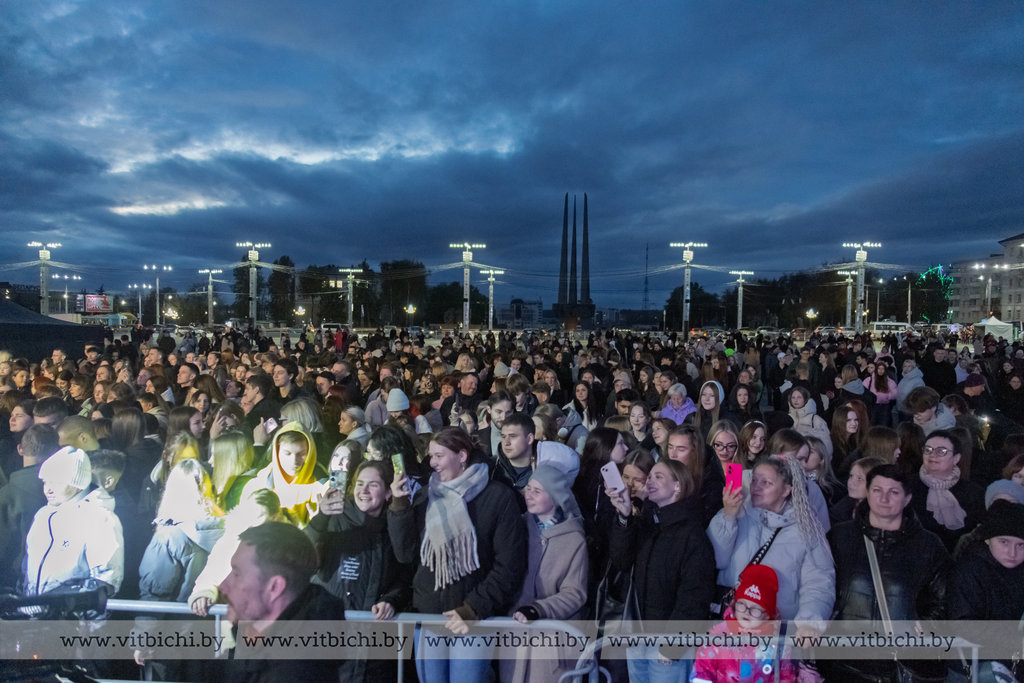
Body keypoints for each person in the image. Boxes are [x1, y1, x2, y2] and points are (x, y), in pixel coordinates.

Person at [387, 427, 527, 683]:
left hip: (473, 622)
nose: (432, 463)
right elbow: (405, 554)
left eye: (439, 456)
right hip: (428, 617)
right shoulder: (425, 495)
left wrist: (473, 608)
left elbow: (510, 565)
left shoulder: (497, 496)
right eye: (431, 456)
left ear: (462, 456)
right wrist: (399, 505)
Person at [825, 464, 949, 682]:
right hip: (845, 662)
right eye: (877, 490)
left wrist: (927, 624)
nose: (884, 498)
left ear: (907, 498)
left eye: (894, 492)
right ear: (867, 493)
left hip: (902, 661)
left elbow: (944, 597)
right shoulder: (840, 537)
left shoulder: (928, 545)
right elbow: (821, 585)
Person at [607, 458, 715, 682]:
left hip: (667, 644)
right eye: (650, 477)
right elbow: (621, 560)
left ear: (677, 486)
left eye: (658, 476)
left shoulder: (692, 535)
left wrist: (673, 645)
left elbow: (694, 596)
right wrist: (624, 516)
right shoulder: (648, 523)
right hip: (638, 635)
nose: (650, 481)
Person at [305, 460, 411, 682]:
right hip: (329, 634)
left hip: (374, 647)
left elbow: (405, 575)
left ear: (388, 493)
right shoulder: (334, 518)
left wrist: (391, 600)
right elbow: (305, 558)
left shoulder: (395, 527)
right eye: (360, 484)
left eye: (373, 485)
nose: (364, 491)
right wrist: (320, 519)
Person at [708, 453, 835, 634]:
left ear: (786, 490)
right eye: (754, 480)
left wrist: (809, 623)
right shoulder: (738, 513)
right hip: (728, 624)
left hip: (774, 632)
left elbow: (818, 582)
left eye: (766, 483)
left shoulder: (807, 530)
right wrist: (728, 516)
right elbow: (715, 560)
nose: (756, 488)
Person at [219, 521, 346, 683]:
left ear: (274, 588)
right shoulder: (257, 642)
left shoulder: (296, 672)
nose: (223, 586)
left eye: (237, 574)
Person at [501, 465, 588, 683]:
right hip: (515, 636)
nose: (528, 495)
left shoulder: (574, 539)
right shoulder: (518, 527)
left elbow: (575, 593)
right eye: (528, 489)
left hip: (551, 643)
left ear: (556, 498)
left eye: (537, 491)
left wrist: (539, 609)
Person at [23, 446, 124, 598]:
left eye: (57, 483)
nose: (48, 489)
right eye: (45, 482)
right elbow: (27, 565)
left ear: (78, 483)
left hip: (71, 612)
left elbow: (106, 580)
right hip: (34, 609)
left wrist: (58, 602)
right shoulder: (42, 514)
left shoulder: (100, 518)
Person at [947, 500, 1024, 681]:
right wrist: (1015, 640)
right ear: (988, 539)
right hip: (972, 668)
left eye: (1021, 545)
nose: (1012, 552)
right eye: (1004, 542)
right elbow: (963, 625)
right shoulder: (969, 570)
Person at [692, 564, 797, 683]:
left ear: (767, 615)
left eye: (755, 609)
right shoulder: (717, 635)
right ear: (735, 604)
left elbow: (785, 676)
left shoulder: (777, 644)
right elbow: (702, 670)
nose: (747, 612)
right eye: (742, 604)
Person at [909, 429, 985, 552]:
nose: (932, 455)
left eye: (941, 451)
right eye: (928, 450)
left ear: (956, 458)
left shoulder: (973, 493)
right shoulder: (907, 486)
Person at [241, 422, 325, 526]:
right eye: (287, 453)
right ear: (276, 452)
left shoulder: (322, 482)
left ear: (310, 452)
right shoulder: (256, 485)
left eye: (301, 454)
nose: (294, 461)